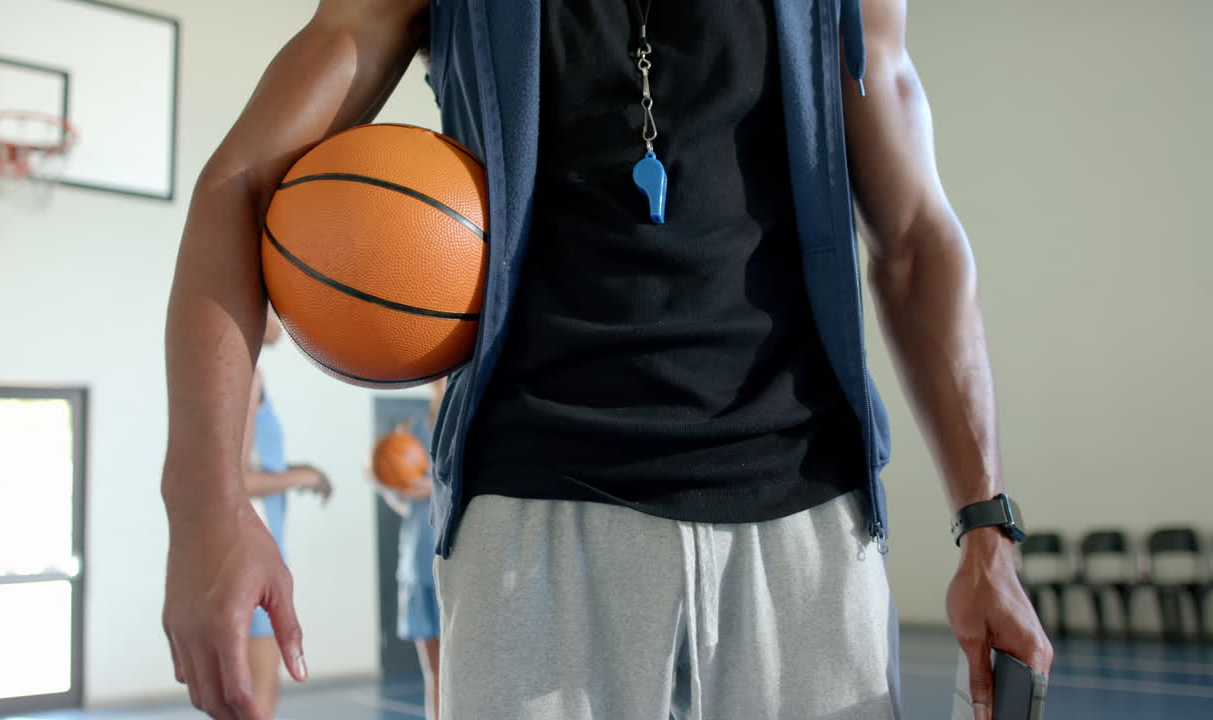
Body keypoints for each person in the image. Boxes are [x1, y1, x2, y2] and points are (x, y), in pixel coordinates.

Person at [161, 2, 1054, 719]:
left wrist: (987, 527)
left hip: (804, 517)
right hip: (530, 517)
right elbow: (241, 182)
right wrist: (205, 507)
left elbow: (914, 239)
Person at [240, 305, 333, 717]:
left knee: (251, 691)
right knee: (259, 695)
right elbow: (237, 479)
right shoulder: (248, 378)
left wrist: (304, 471)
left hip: (253, 542)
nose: (285, 321)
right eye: (276, 311)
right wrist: (302, 478)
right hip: (254, 546)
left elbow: (259, 467)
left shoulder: (244, 375)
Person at [369, 378, 446, 720]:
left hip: (450, 558)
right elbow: (407, 502)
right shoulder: (410, 427)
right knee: (433, 675)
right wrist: (381, 481)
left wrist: (435, 488)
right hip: (416, 559)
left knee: (456, 671)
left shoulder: (465, 418)